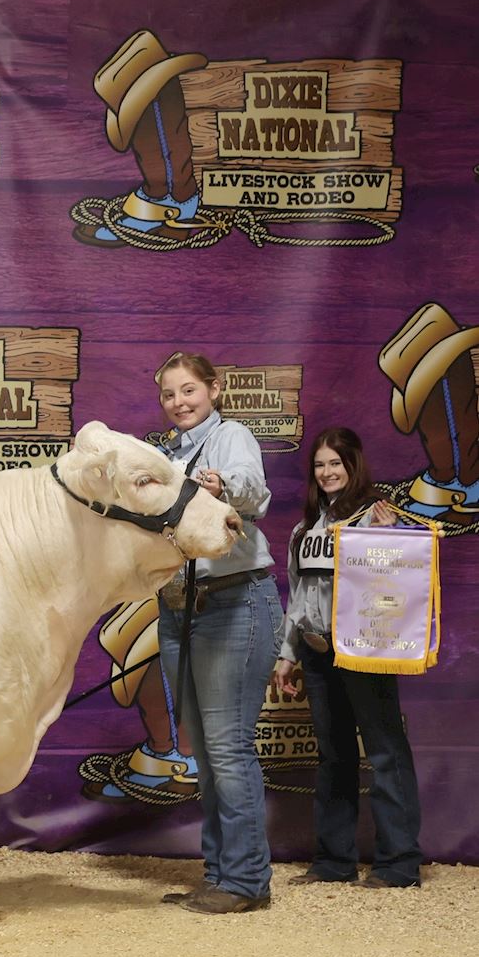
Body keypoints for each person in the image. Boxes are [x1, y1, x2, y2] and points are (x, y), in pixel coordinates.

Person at [153, 352, 283, 915]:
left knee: (228, 749)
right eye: (168, 395)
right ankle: (219, 874)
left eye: (188, 391)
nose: (179, 403)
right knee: (205, 751)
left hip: (233, 602)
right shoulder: (162, 456)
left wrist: (221, 484)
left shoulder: (231, 436)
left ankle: (248, 881)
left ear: (213, 389)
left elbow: (254, 492)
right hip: (179, 608)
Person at [273, 428, 422, 888]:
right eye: (319, 464)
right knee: (333, 755)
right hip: (318, 652)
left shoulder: (376, 517)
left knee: (383, 752)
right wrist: (286, 655)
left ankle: (398, 863)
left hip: (364, 650)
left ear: (353, 465)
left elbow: (404, 573)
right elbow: (299, 597)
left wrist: (389, 538)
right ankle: (333, 861)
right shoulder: (304, 530)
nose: (327, 472)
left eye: (335, 463)